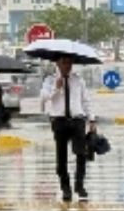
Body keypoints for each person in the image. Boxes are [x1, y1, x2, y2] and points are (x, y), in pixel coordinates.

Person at [40, 57, 97, 202]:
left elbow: (85, 100)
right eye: (64, 62)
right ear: (58, 63)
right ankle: (65, 188)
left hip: (77, 120)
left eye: (70, 62)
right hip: (59, 121)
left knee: (81, 154)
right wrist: (56, 88)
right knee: (61, 157)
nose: (68, 65)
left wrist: (92, 119)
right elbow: (44, 98)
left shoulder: (78, 80)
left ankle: (79, 185)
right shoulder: (50, 80)